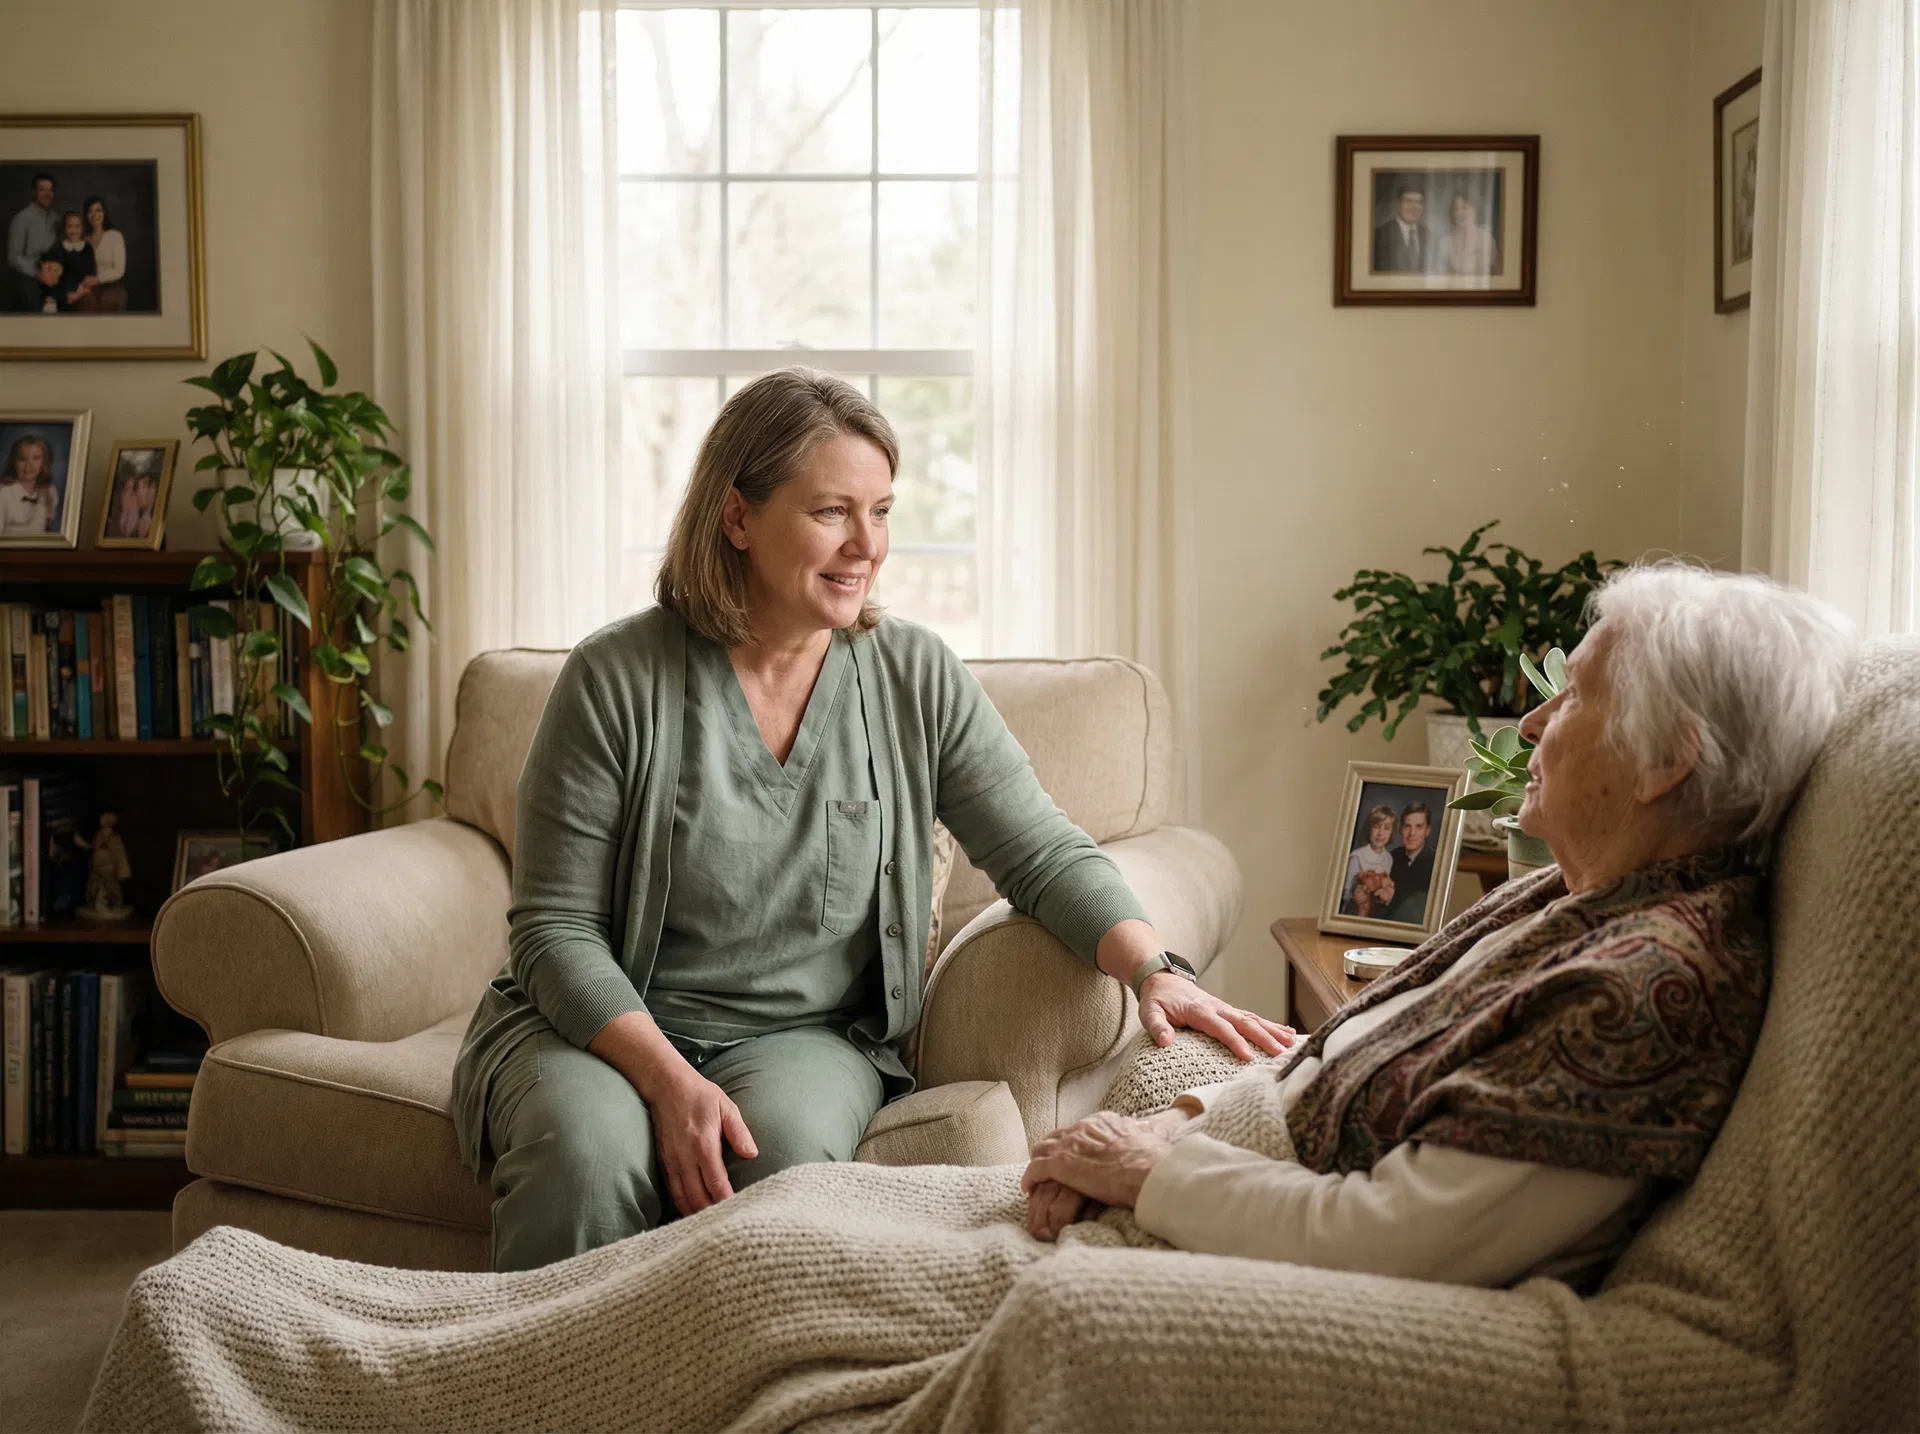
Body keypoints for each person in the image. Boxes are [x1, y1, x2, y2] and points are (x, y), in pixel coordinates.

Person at [450, 366, 1295, 1272]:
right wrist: (667, 1080)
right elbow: (555, 930)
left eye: (882, 511)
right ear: (737, 517)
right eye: (831, 513)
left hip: (803, 1039)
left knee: (773, 1172)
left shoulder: (912, 676)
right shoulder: (614, 678)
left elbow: (1039, 849)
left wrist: (1152, 970)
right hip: (600, 1024)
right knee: (583, 1157)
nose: (868, 546)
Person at [1022, 564, 1857, 1289]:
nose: (1531, 722)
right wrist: (1169, 1126)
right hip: (1220, 1190)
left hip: (1246, 1264)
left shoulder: (1640, 994)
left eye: (1575, 698)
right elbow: (1338, 1055)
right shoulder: (1579, 897)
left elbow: (1385, 1240)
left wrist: (1145, 1170)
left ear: (1668, 761)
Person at [5, 173, 59, 313]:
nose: (47, 194)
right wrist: (38, 274)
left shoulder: (56, 219)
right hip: (28, 274)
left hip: (51, 271)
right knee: (32, 298)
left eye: (50, 190)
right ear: (34, 192)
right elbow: (13, 257)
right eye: (42, 189)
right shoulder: (21, 219)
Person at [1379, 800, 1436, 923]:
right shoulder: (1391, 857)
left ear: (1427, 831)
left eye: (1419, 827)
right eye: (1407, 826)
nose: (1412, 834)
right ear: (1400, 830)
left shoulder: (1436, 862)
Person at [1340, 803, 1397, 916]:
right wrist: (1355, 896)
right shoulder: (1357, 856)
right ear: (1369, 829)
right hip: (1356, 911)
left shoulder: (1388, 858)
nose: (1380, 833)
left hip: (1376, 913)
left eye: (1386, 828)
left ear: (1392, 832)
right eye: (1376, 827)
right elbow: (1345, 893)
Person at [0, 433, 59, 536]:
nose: (29, 465)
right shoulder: (4, 492)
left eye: (35, 458)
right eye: (22, 459)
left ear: (44, 462)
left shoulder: (49, 491)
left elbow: (47, 529)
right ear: (13, 463)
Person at [39, 210, 96, 313]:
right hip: (59, 293)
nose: (73, 231)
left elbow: (90, 275)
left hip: (80, 291)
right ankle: (51, 302)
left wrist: (78, 294)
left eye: (77, 226)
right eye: (70, 227)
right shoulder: (58, 249)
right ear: (65, 228)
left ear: (82, 228)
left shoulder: (87, 249)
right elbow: (50, 274)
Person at [1371, 184, 1432, 272]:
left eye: (1419, 202)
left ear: (1423, 206)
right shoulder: (1379, 234)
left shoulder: (1428, 235)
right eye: (1408, 201)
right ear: (1398, 203)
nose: (1413, 207)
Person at [1437, 192, 1500, 276]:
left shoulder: (1487, 239)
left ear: (1475, 210)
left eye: (1465, 208)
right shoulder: (1444, 242)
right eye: (1456, 209)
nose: (1460, 213)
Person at [82, 196, 128, 312]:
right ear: (86, 216)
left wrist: (97, 279)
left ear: (104, 213)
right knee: (87, 305)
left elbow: (119, 270)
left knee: (107, 304)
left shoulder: (115, 236)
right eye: (90, 211)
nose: (94, 215)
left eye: (98, 210)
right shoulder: (84, 241)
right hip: (90, 288)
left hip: (113, 286)